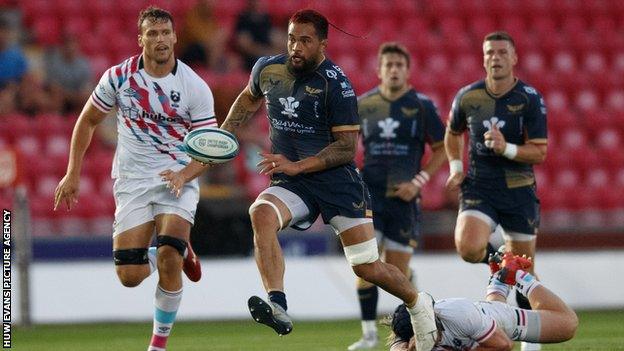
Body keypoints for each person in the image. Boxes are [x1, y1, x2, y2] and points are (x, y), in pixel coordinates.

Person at [220, 9, 438, 351]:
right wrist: (223, 136)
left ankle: (417, 303)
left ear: (322, 43)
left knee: (367, 267)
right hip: (295, 183)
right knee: (260, 213)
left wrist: (297, 165)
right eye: (292, 38)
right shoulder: (267, 69)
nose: (296, 47)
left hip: (338, 183)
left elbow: (347, 148)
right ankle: (278, 304)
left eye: (305, 41)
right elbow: (247, 101)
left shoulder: (335, 84)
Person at [53, 7, 216, 351]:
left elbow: (209, 148)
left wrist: (185, 173)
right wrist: (72, 173)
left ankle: (157, 345)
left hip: (177, 178)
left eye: (165, 33)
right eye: (152, 34)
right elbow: (86, 122)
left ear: (175, 37)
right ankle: (176, 247)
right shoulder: (118, 77)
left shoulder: (194, 87)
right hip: (132, 181)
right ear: (140, 39)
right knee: (129, 276)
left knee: (170, 255)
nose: (160, 39)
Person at [444, 31, 547, 351]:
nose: (496, 57)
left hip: (518, 190)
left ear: (514, 58)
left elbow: (540, 151)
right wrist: (456, 168)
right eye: (490, 53)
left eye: (502, 52)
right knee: (467, 247)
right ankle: (500, 260)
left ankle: (532, 342)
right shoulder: (468, 96)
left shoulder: (529, 98)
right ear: (483, 57)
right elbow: (452, 134)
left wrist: (507, 149)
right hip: (480, 187)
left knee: (524, 271)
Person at [350, 42, 447, 350]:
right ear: (379, 70)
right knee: (365, 263)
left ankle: (414, 311)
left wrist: (419, 181)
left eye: (399, 65)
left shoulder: (422, 106)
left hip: (405, 200)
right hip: (370, 197)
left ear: (407, 70)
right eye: (388, 65)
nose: (393, 69)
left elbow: (443, 148)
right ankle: (368, 334)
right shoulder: (363, 105)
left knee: (397, 275)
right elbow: (347, 145)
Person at [387, 252, 578, 350]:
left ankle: (518, 277)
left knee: (568, 325)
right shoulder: (404, 329)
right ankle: (498, 278)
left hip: (504, 322)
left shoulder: (459, 314)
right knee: (489, 312)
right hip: (483, 315)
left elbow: (504, 345)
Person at [44, 33, 93, 114]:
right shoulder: (54, 62)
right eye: (67, 45)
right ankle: (55, 122)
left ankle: (81, 123)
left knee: (89, 98)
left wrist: (75, 96)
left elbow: (87, 86)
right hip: (59, 95)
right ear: (62, 47)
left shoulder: (83, 63)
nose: (70, 48)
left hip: (76, 96)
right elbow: (53, 86)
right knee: (56, 96)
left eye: (73, 45)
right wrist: (69, 95)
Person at [234, 0, 283, 71]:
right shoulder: (244, 19)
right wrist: (265, 52)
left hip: (268, 55)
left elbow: (275, 37)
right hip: (251, 58)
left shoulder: (266, 18)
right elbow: (245, 45)